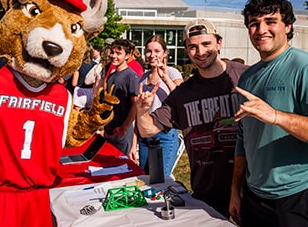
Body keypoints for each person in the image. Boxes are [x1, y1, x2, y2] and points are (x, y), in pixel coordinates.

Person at [229, 0, 308, 227]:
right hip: (255, 197)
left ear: (288, 26)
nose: (261, 29)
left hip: (300, 196)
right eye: (254, 23)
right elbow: (243, 138)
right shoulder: (247, 78)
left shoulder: (307, 68)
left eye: (270, 21)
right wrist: (236, 190)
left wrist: (276, 116)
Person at [135, 19, 248, 216]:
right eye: (193, 47)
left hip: (249, 186)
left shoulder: (246, 77)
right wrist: (142, 111)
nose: (200, 52)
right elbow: (147, 129)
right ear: (187, 51)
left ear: (219, 43)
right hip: (206, 190)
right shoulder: (184, 93)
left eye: (206, 44)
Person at [138, 35, 183, 176]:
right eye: (149, 51)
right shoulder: (143, 77)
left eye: (157, 51)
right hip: (144, 136)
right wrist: (134, 143)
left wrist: (165, 78)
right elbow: (137, 112)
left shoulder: (171, 72)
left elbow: (181, 98)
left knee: (158, 180)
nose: (152, 55)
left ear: (164, 53)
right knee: (145, 178)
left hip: (164, 134)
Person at [103, 39, 140, 161]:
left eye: (118, 53)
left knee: (121, 163)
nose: (114, 56)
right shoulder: (112, 76)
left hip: (122, 130)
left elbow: (135, 105)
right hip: (109, 128)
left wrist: (124, 127)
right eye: (112, 52)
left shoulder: (131, 77)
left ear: (127, 56)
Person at [72, 44, 97, 111]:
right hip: (91, 91)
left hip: (79, 91)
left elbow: (74, 83)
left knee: (77, 113)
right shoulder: (95, 65)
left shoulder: (78, 65)